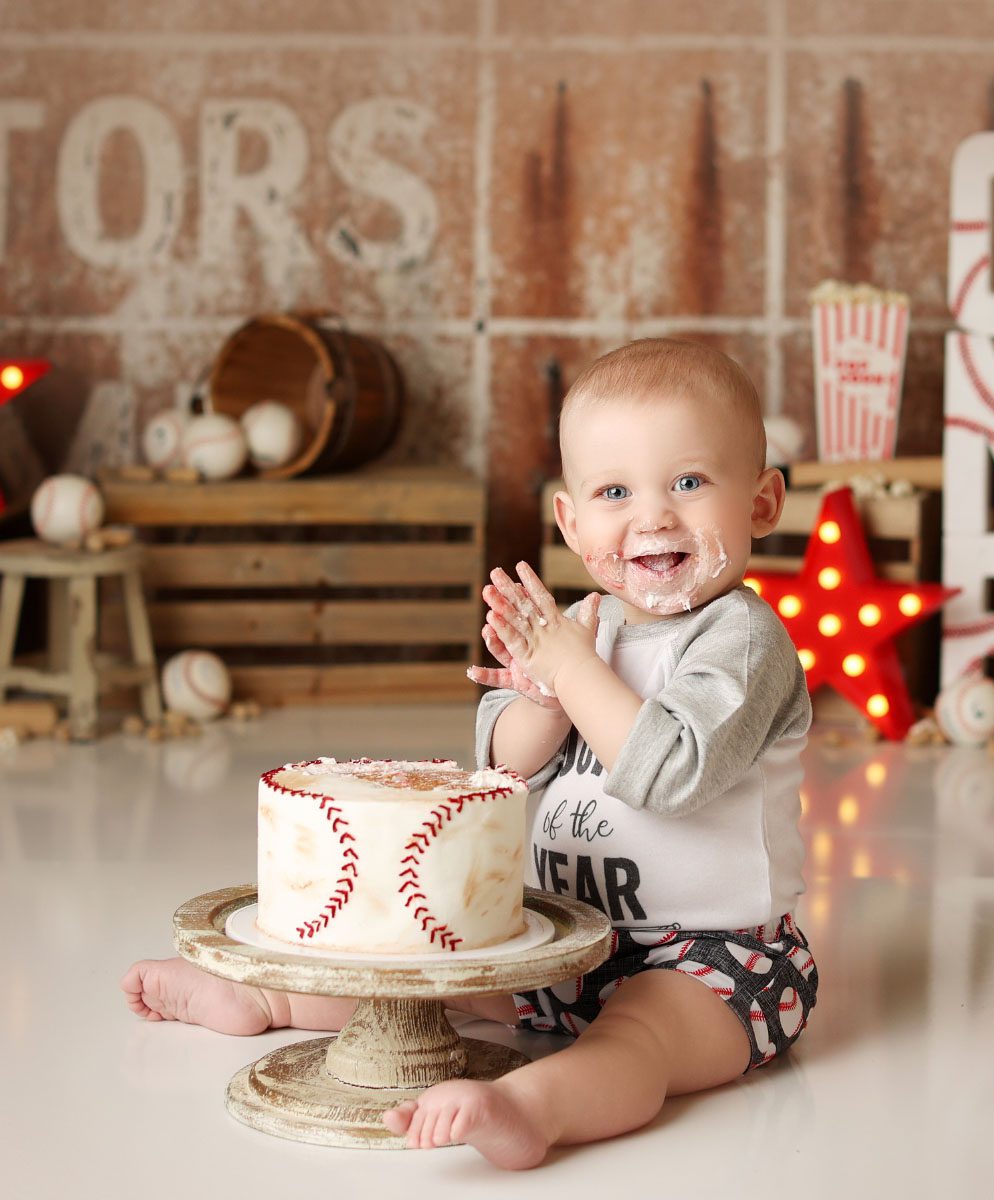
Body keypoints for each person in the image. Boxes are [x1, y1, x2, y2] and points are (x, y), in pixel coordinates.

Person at [120, 338, 817, 1170]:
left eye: (690, 482)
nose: (654, 515)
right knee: (432, 970)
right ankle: (267, 994)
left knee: (641, 1040)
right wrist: (543, 697)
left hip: (710, 961)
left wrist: (569, 667)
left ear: (764, 502)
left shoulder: (741, 639)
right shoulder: (584, 625)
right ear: (571, 521)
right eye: (614, 491)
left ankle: (533, 1108)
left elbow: (671, 774)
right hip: (565, 939)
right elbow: (505, 764)